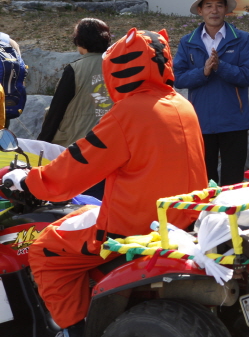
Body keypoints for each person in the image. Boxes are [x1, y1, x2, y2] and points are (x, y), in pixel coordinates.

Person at [5, 29, 207, 337]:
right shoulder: (181, 105)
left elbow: (75, 169)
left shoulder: (128, 113)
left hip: (134, 225)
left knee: (45, 250)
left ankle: (74, 331)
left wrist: (27, 184)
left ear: (119, 69)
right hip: (180, 218)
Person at [174, 0, 249, 186]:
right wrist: (203, 72)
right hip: (200, 122)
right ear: (200, 10)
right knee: (204, 181)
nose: (214, 10)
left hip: (234, 122)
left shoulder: (242, 39)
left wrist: (221, 67)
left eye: (219, 5)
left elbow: (248, 76)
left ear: (226, 9)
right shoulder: (187, 42)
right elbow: (178, 78)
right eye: (208, 5)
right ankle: (206, 218)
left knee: (233, 183)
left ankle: (231, 218)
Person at [38, 18, 113, 147]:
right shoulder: (119, 66)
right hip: (111, 139)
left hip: (75, 141)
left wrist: (42, 142)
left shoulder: (75, 69)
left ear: (79, 40)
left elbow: (57, 111)